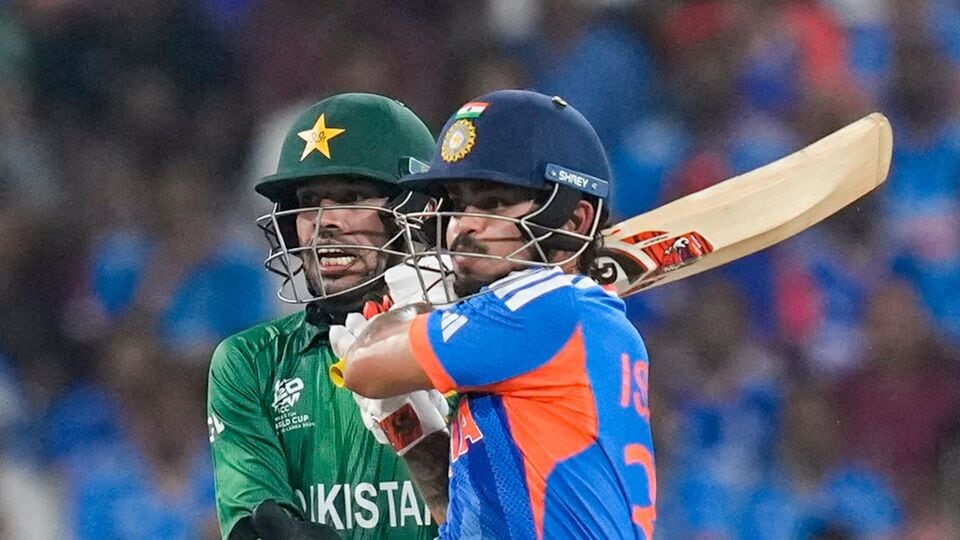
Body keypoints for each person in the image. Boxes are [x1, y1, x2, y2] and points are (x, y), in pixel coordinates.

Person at [341, 90, 657, 539]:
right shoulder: (571, 319)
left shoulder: (543, 304)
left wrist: (415, 311)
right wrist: (414, 436)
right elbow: (471, 521)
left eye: (493, 204)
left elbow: (362, 366)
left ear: (574, 221)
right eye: (456, 204)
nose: (462, 225)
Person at [206, 93, 449, 539]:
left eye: (351, 197)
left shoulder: (473, 343)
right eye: (309, 201)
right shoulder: (252, 363)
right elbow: (256, 526)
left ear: (416, 212)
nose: (325, 222)